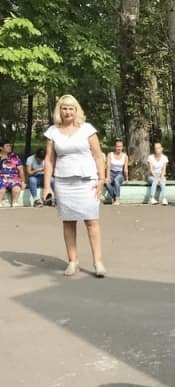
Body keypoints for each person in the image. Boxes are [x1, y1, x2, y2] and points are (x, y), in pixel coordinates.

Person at [42, 94, 107, 277]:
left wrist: (101, 179)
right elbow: (49, 160)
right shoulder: (52, 132)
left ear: (76, 110)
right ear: (59, 111)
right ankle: (73, 261)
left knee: (91, 221)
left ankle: (98, 262)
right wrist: (47, 186)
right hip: (63, 181)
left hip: (88, 181)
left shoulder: (87, 129)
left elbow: (97, 155)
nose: (67, 111)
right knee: (68, 222)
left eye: (71, 108)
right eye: (64, 108)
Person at [0, 140, 25, 208]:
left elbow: (21, 169)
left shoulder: (14, 156)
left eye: (9, 145)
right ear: (1, 148)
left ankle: (15, 202)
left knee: (16, 188)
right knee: (1, 187)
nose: (9, 147)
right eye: (7, 146)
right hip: (1, 177)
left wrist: (23, 182)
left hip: (14, 177)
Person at [104, 139, 128, 206]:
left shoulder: (125, 156)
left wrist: (126, 179)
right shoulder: (110, 155)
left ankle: (117, 200)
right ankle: (115, 198)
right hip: (111, 173)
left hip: (119, 174)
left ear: (122, 147)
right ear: (115, 147)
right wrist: (108, 177)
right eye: (118, 146)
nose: (119, 148)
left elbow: (125, 169)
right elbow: (108, 167)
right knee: (106, 182)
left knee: (116, 180)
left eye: (120, 146)